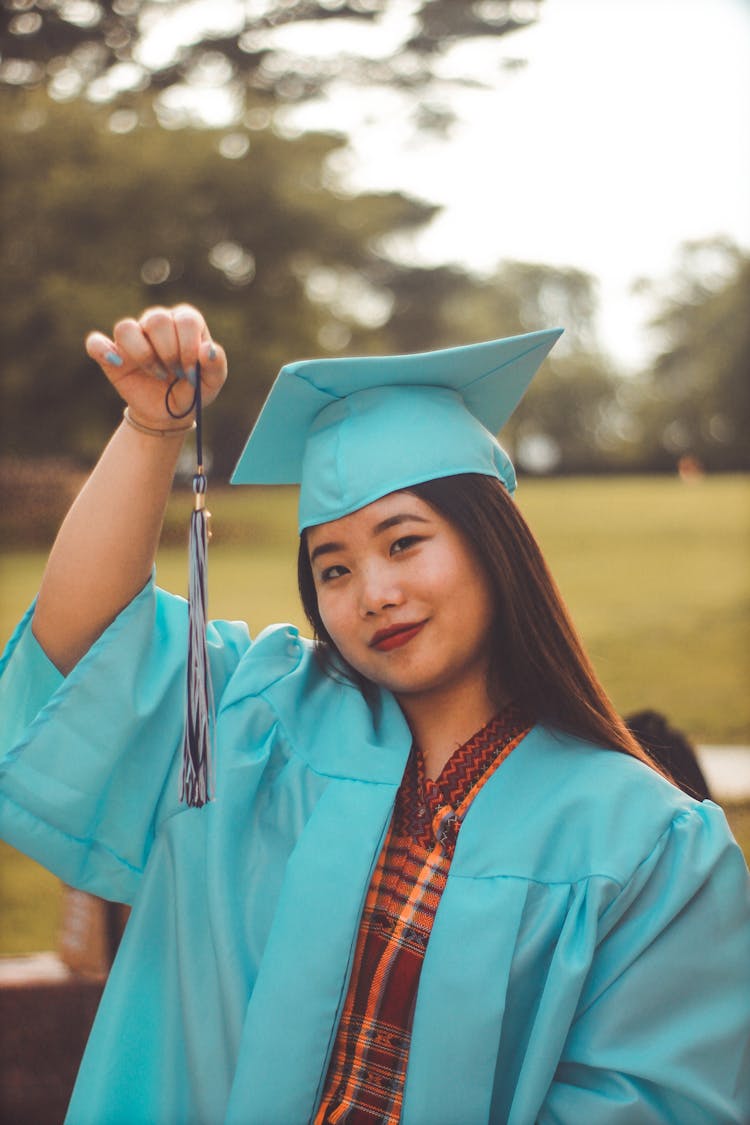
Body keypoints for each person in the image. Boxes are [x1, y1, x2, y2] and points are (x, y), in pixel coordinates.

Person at [0, 304, 748, 1125]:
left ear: (492, 540)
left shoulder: (646, 845)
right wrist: (152, 426)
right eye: (334, 567)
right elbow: (82, 645)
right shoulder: (258, 720)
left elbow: (654, 1100)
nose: (374, 594)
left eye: (403, 542)